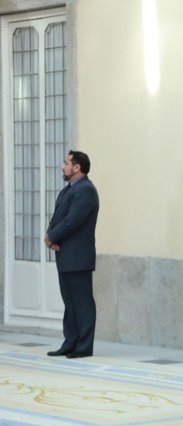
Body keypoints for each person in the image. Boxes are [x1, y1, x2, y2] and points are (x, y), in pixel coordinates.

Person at [45, 150, 100, 359]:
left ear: (77, 167)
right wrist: (50, 236)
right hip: (65, 254)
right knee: (70, 303)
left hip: (78, 256)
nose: (63, 166)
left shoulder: (86, 190)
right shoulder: (68, 190)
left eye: (66, 163)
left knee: (82, 303)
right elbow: (57, 217)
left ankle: (83, 346)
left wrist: (52, 237)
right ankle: (70, 343)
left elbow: (72, 220)